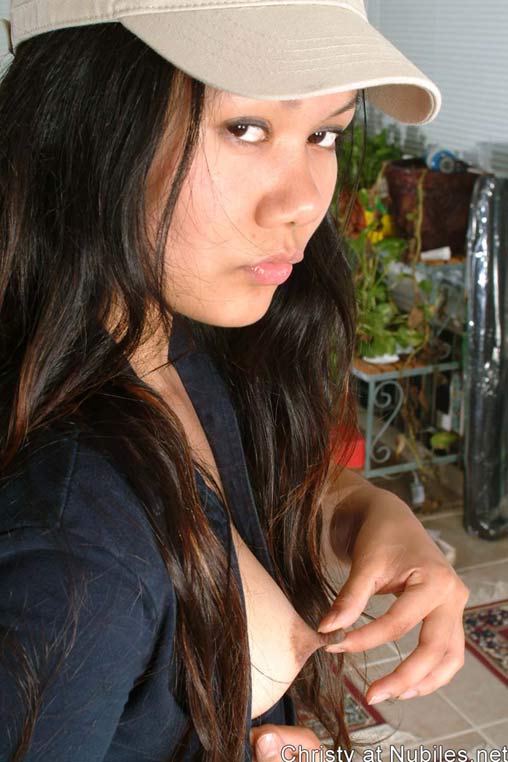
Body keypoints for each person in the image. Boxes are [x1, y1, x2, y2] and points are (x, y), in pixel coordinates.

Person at [0, 1, 469, 760]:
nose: (304, 202)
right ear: (79, 121)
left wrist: (362, 510)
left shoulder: (164, 338)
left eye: (324, 134)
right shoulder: (68, 556)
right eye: (245, 127)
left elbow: (216, 492)